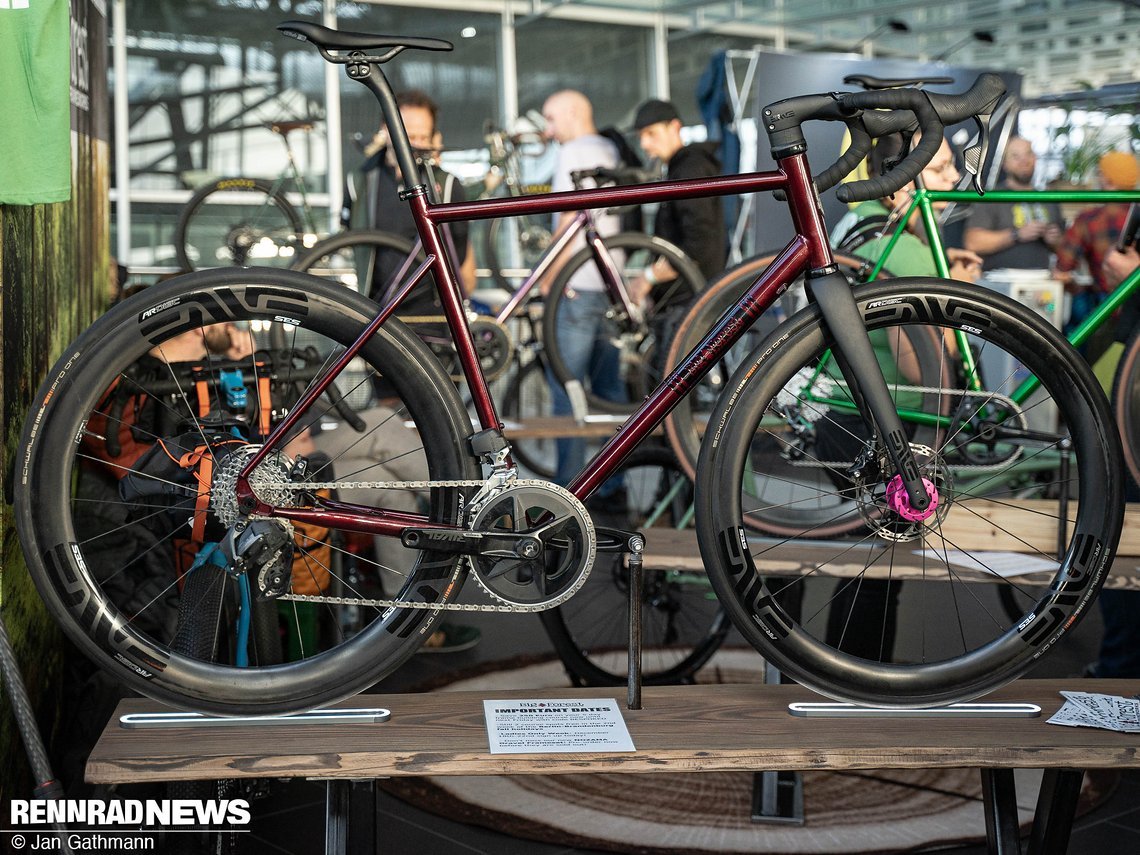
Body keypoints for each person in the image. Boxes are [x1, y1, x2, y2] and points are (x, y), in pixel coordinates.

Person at [821, 133, 982, 662]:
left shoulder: (868, 237)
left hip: (841, 420)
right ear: (896, 188)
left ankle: (851, 672)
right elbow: (921, 367)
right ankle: (861, 676)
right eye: (935, 171)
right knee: (878, 566)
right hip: (880, 427)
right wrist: (951, 304)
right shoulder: (910, 252)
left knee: (870, 560)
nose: (952, 179)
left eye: (951, 168)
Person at [539, 89, 626, 491]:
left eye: (552, 118)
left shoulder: (573, 152)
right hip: (611, 283)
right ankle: (613, 486)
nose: (548, 129)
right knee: (609, 391)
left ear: (574, 113)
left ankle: (569, 487)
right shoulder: (609, 148)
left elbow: (567, 217)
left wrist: (548, 276)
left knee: (567, 390)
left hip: (574, 285)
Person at [342, 89, 477, 308]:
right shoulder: (360, 182)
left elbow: (462, 251)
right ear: (386, 130)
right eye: (409, 137)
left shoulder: (447, 185)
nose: (417, 145)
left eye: (424, 137)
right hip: (377, 311)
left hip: (434, 313)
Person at [629, 98, 726, 295]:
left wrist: (649, 277)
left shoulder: (691, 168)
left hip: (689, 299)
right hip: (685, 297)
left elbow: (700, 241)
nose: (644, 144)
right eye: (640, 136)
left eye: (651, 133)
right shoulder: (679, 168)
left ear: (674, 127)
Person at [1053, 151, 1139, 357]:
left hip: (1106, 309)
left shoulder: (1089, 219)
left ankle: (1070, 369)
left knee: (1078, 312)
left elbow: (1062, 269)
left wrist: (1078, 286)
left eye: (1101, 173)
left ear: (1106, 179)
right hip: (1135, 311)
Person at [963, 136, 1064, 271]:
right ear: (1005, 164)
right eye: (1016, 156)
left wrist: (1054, 240)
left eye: (1028, 154)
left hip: (1041, 280)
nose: (1024, 161)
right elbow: (972, 242)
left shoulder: (1048, 198)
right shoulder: (993, 197)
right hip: (998, 282)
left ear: (1035, 158)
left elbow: (1066, 248)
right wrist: (1016, 234)